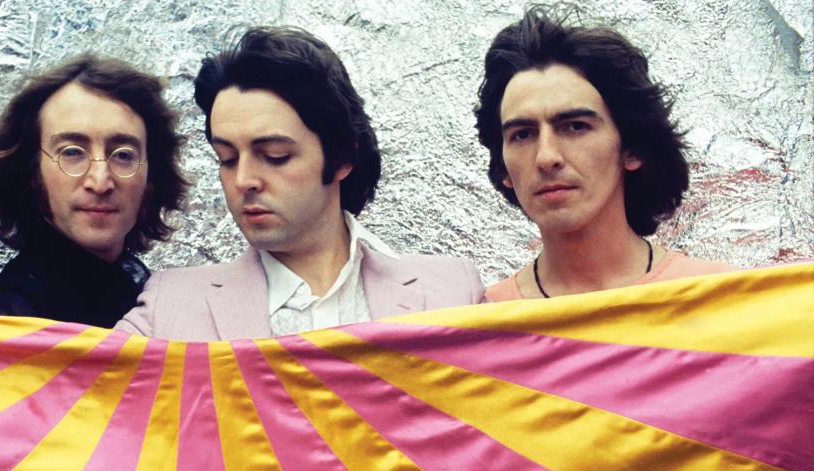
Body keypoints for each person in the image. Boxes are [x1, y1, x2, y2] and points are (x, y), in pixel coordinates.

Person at [117, 26, 485, 340]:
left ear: (342, 158)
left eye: (275, 155)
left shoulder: (452, 293)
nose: (243, 180)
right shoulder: (169, 306)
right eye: (226, 159)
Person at [474, 6, 734, 302]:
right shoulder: (481, 320)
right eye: (522, 134)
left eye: (575, 126)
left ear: (632, 149)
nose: (546, 157)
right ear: (503, 168)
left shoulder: (721, 298)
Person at [0, 55, 188, 327]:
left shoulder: (146, 291)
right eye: (72, 152)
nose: (100, 182)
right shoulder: (0, 326)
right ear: (32, 174)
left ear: (151, 177)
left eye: (123, 155)